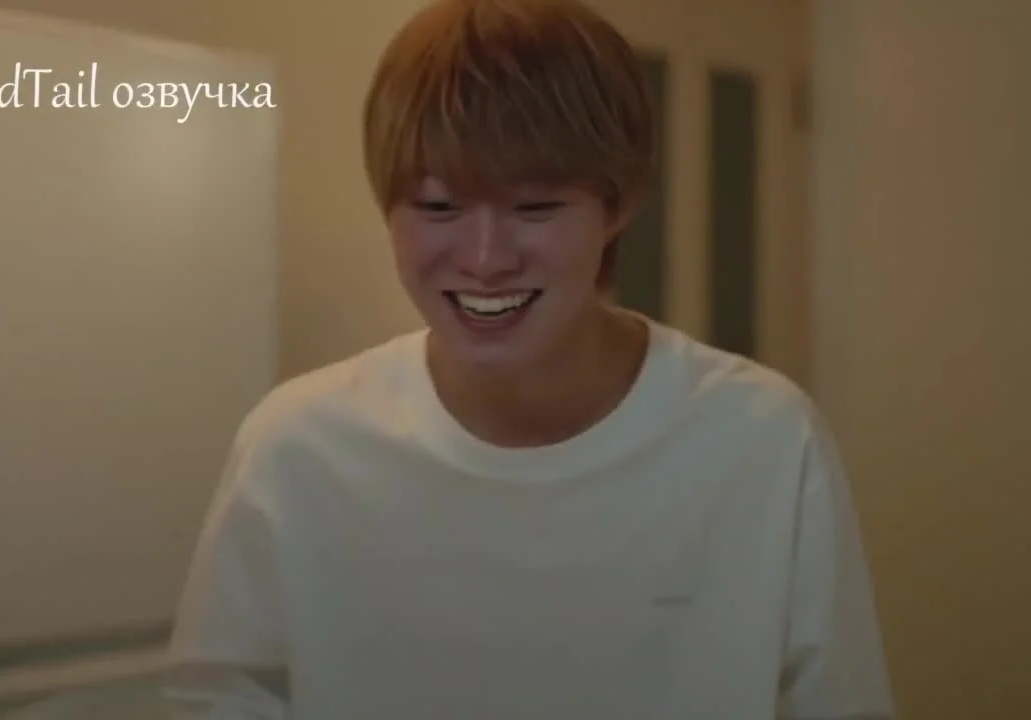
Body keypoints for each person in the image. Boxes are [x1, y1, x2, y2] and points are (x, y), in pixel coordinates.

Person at [164, 0, 896, 718]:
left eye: (535, 208)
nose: (486, 259)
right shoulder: (297, 448)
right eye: (439, 208)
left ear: (619, 205)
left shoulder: (764, 440)